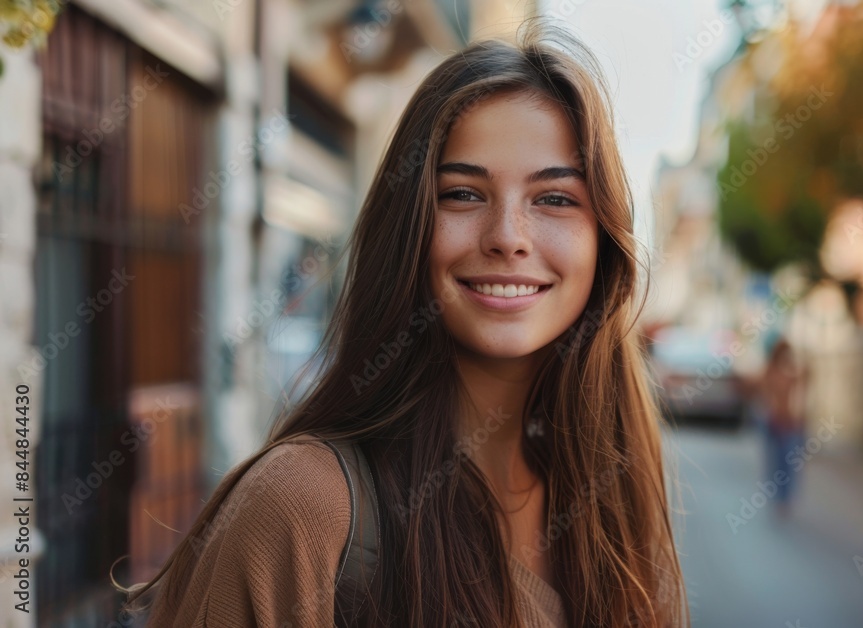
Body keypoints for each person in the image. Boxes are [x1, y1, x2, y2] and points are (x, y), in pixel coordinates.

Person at [115, 20, 690, 628]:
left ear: (603, 244)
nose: (507, 238)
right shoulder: (301, 506)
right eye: (463, 194)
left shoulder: (608, 501)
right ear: (408, 227)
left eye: (554, 199)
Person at [760, 335, 809, 519]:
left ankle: (785, 499)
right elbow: (767, 397)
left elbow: (804, 380)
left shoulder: (790, 372)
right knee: (777, 463)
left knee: (788, 465)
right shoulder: (771, 372)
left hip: (789, 424)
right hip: (775, 423)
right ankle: (779, 498)